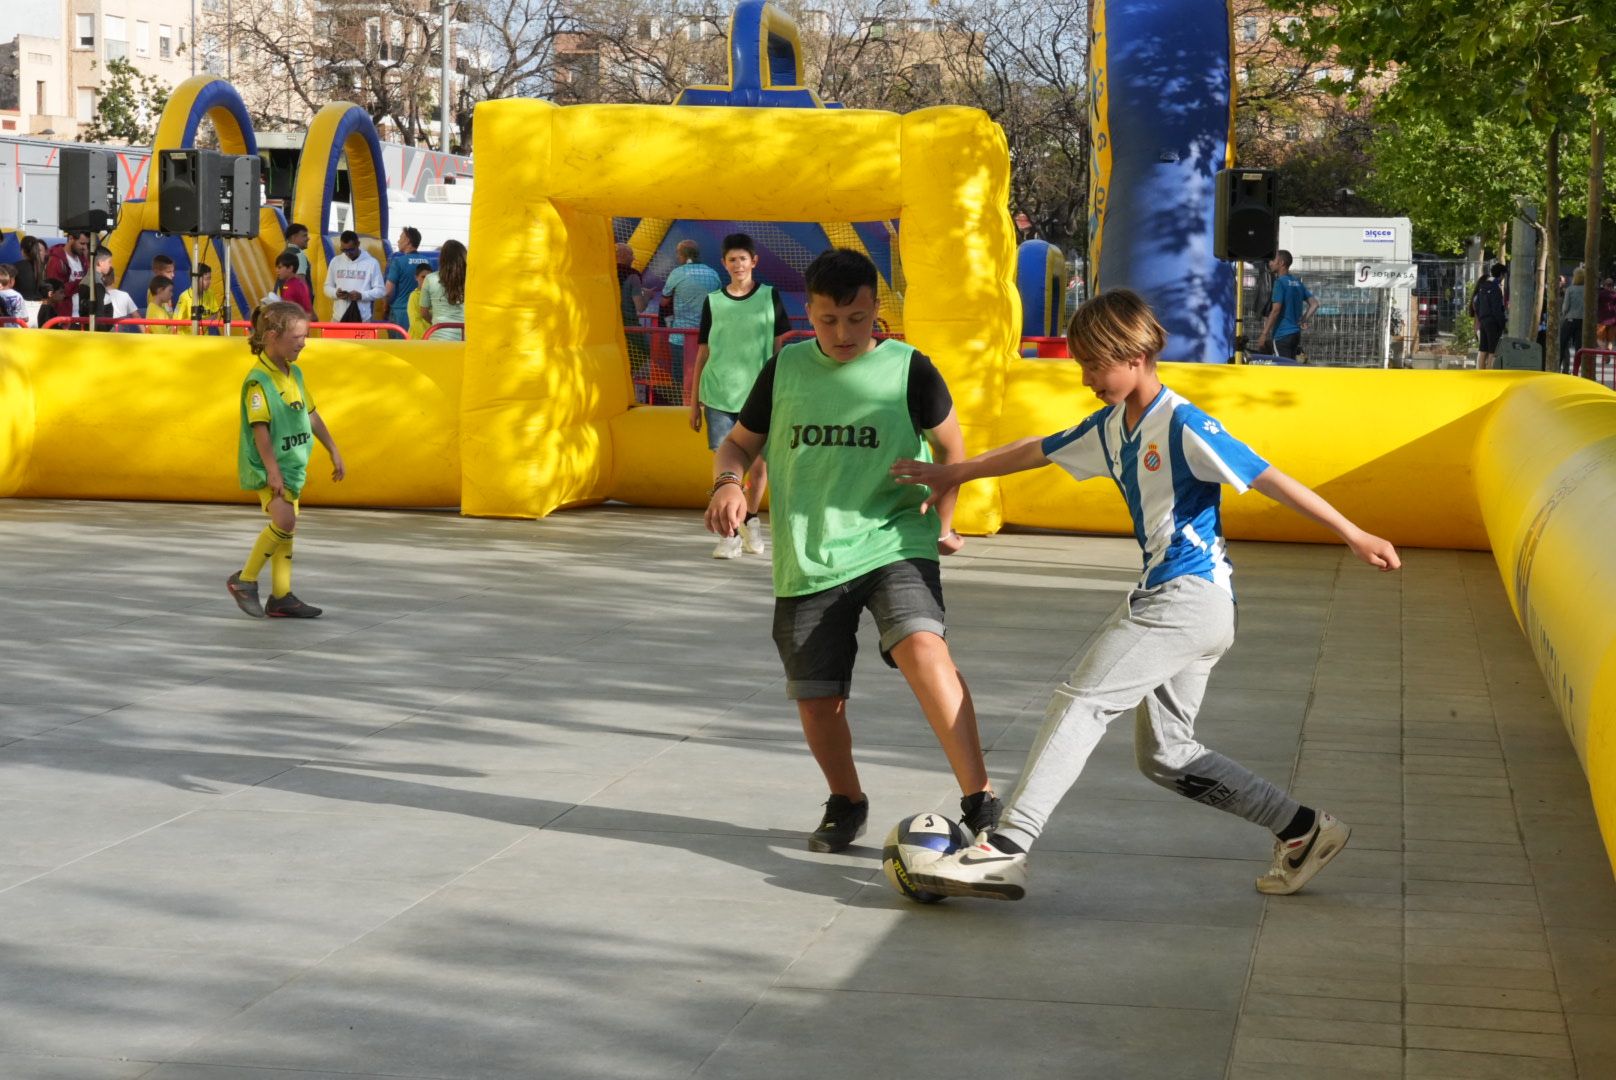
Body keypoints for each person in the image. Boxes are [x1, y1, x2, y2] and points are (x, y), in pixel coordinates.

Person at [894, 288, 1400, 902]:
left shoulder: (1183, 422)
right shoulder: (1111, 427)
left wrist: (1352, 533)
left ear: (1134, 355)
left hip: (1187, 598)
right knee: (1167, 756)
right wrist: (957, 472)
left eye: (1093, 364)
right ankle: (1302, 830)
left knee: (1080, 702)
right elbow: (1035, 450)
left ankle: (1006, 847)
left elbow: (1266, 475)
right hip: (1186, 604)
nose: (1085, 379)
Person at [704, 247, 1000, 852]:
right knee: (818, 699)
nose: (843, 333)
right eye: (828, 321)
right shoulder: (784, 369)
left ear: (876, 313)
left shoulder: (911, 369)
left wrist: (943, 520)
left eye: (857, 319)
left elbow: (952, 454)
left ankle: (980, 800)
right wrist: (729, 483)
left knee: (924, 647)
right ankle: (846, 800)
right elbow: (735, 446)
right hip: (808, 554)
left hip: (894, 538)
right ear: (808, 313)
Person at [225, 300, 345, 620]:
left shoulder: (295, 373)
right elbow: (260, 428)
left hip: (293, 465)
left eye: (305, 337)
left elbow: (311, 413)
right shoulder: (258, 381)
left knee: (287, 530)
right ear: (274, 337)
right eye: (297, 338)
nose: (303, 344)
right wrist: (272, 471)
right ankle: (245, 580)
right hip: (269, 467)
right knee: (284, 521)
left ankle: (281, 596)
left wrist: (332, 448)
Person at [689, 232, 792, 558]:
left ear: (753, 262)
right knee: (726, 466)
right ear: (724, 264)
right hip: (718, 394)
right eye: (731, 260)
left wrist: (782, 395)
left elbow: (779, 352)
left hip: (758, 396)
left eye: (742, 259)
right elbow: (702, 354)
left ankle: (750, 518)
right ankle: (729, 533)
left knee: (759, 466)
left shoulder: (769, 297)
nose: (737, 264)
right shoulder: (713, 301)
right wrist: (693, 403)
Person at [660, 239, 722, 399]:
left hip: (680, 337)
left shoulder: (678, 273)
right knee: (704, 376)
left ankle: (678, 408)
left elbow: (664, 301)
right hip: (707, 338)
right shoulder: (712, 273)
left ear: (681, 255)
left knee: (680, 378)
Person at [1255, 249, 1319, 360]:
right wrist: (1303, 319)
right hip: (1295, 334)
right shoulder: (1297, 282)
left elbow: (1276, 310)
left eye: (1273, 260)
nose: (1270, 263)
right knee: (1290, 367)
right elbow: (1315, 304)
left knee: (1281, 369)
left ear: (1281, 263)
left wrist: (1264, 334)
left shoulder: (1280, 283)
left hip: (1282, 334)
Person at [325, 230, 386, 323]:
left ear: (358, 244)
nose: (348, 253)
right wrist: (335, 293)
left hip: (362, 319)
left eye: (351, 249)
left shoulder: (371, 263)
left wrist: (362, 295)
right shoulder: (335, 261)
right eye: (344, 250)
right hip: (338, 318)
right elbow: (327, 287)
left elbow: (381, 291)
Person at [616, 242, 653, 397]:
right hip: (630, 328)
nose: (634, 257)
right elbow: (640, 307)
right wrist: (648, 296)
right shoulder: (632, 276)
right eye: (631, 254)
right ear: (623, 256)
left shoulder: (606, 272)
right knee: (644, 360)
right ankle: (636, 396)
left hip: (611, 327)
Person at [384, 226, 433, 336]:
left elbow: (388, 292)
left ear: (407, 241)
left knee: (398, 350)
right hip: (423, 312)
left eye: (400, 237)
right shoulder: (428, 261)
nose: (398, 241)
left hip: (401, 313)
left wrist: (385, 308)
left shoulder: (398, 262)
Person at [418, 239, 465, 341]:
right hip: (465, 338)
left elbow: (423, 312)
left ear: (442, 258)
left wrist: (437, 323)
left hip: (438, 337)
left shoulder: (430, 279)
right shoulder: (470, 280)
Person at [1471, 262, 1507, 369]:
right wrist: (1502, 323)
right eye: (1504, 275)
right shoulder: (1496, 288)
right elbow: (1497, 309)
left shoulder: (1483, 286)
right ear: (1501, 274)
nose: (1503, 278)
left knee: (1483, 349)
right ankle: (1490, 374)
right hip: (1493, 323)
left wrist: (1481, 316)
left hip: (1483, 321)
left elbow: (1477, 303)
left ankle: (1480, 373)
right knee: (1492, 351)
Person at [174, 263, 217, 334]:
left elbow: (215, 312)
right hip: (188, 340)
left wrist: (203, 323)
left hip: (203, 339)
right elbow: (176, 321)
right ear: (196, 279)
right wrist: (193, 323)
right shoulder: (184, 297)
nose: (209, 282)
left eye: (210, 278)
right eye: (206, 279)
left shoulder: (210, 293)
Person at [45, 232, 91, 296]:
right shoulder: (56, 261)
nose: (85, 247)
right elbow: (55, 292)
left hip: (80, 304)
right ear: (71, 238)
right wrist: (82, 283)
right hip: (65, 305)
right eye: (82, 243)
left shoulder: (83, 259)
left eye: (87, 244)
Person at [1560, 268, 1585, 374]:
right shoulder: (1587, 290)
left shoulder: (1570, 289)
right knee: (1579, 348)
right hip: (1582, 321)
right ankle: (1576, 369)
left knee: (1562, 343)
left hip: (1570, 319)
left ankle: (1558, 366)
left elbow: (1565, 307)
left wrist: (1564, 316)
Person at [14, 236, 50, 300]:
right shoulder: (41, 267)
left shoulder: (16, 267)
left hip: (23, 304)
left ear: (22, 251)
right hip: (38, 304)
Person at [406, 262, 432, 339]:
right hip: (418, 339)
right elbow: (415, 321)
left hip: (433, 337)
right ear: (416, 277)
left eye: (429, 277)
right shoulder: (414, 296)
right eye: (423, 277)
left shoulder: (434, 295)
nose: (426, 280)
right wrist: (427, 337)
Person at [1597, 276, 1616, 350]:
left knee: (1599, 339)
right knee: (1610, 341)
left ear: (1604, 285)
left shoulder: (1601, 294)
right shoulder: (1614, 295)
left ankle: (1605, 353)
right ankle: (1607, 355)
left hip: (1602, 320)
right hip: (1613, 321)